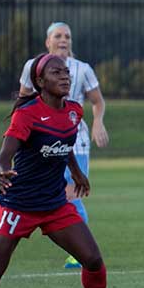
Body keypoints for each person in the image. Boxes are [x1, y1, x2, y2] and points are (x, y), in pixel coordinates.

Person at [0, 54, 110, 288]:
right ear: (39, 81)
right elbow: (4, 157)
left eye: (66, 72)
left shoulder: (74, 111)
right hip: (18, 206)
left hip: (54, 204)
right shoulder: (27, 115)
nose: (64, 76)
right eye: (56, 73)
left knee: (94, 261)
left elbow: (64, 143)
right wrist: (3, 171)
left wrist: (75, 172)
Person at [18, 22, 107, 268]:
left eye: (67, 36)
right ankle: (78, 247)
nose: (63, 40)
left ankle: (80, 251)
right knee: (51, 193)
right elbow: (23, 100)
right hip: (43, 139)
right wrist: (23, 133)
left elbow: (98, 102)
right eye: (58, 36)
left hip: (74, 141)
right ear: (48, 42)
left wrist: (98, 122)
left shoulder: (83, 69)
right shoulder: (32, 67)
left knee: (71, 193)